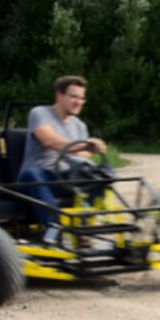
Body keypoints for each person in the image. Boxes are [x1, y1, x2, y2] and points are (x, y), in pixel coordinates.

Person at [17, 76, 107, 236]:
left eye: (81, 98)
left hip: (64, 178)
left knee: (103, 172)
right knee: (33, 173)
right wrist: (84, 144)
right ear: (59, 95)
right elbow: (48, 140)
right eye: (73, 97)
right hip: (37, 176)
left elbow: (82, 156)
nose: (78, 102)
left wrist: (92, 148)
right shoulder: (40, 113)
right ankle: (55, 231)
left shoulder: (80, 125)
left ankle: (83, 228)